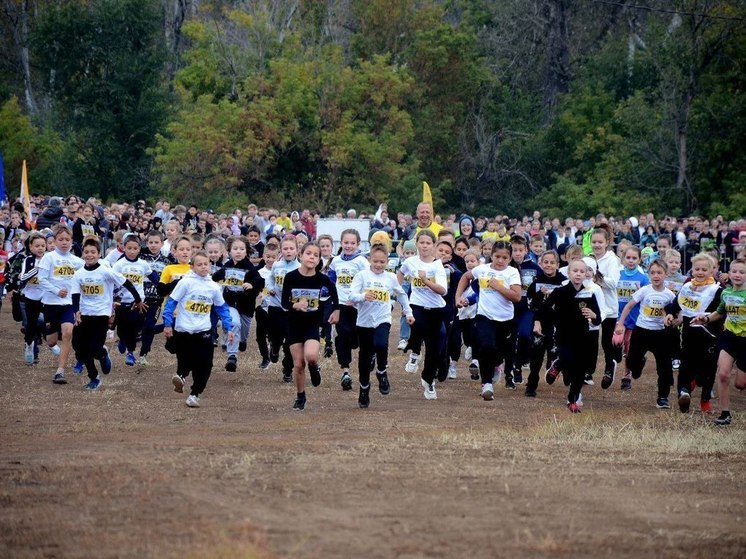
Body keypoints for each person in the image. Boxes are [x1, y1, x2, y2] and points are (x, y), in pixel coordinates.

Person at [71, 237, 144, 389]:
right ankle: (94, 377)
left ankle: (102, 354)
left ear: (99, 254)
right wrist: (76, 311)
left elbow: (127, 283)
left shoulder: (106, 271)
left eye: (93, 252)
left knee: (93, 347)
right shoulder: (78, 274)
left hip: (101, 314)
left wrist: (138, 300)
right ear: (83, 254)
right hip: (84, 313)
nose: (89, 255)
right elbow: (75, 294)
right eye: (86, 252)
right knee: (79, 345)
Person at [163, 250, 234, 408]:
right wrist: (168, 323)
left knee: (205, 364)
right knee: (185, 360)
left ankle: (195, 393)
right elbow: (171, 303)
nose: (203, 267)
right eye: (199, 264)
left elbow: (222, 308)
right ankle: (180, 377)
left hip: (203, 331)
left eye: (206, 264)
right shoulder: (185, 283)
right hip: (183, 330)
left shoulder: (213, 287)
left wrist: (228, 328)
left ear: (210, 265)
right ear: (193, 267)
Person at [348, 244, 413, 407]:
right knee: (364, 357)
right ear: (369, 259)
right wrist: (363, 296)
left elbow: (402, 294)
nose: (378, 265)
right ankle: (364, 388)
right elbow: (352, 296)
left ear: (387, 262)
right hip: (364, 322)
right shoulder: (362, 276)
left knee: (381, 344)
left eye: (382, 262)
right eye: (375, 261)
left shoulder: (390, 278)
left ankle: (382, 372)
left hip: (382, 319)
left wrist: (408, 311)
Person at [455, 241, 521, 400]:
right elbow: (466, 276)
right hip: (485, 316)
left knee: (499, 352)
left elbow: (517, 297)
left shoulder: (511, 273)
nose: (500, 260)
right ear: (491, 256)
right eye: (497, 256)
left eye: (504, 257)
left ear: (510, 258)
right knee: (485, 346)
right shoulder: (482, 269)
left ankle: (497, 365)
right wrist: (457, 297)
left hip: (505, 319)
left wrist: (498, 287)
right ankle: (486, 384)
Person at [534, 259, 603, 412]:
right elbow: (543, 308)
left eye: (582, 272)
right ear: (569, 273)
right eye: (575, 271)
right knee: (569, 360)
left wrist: (593, 315)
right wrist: (537, 321)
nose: (578, 274)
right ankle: (559, 364)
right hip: (563, 336)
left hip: (583, 337)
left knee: (579, 370)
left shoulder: (588, 294)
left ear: (586, 274)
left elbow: (597, 317)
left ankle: (572, 400)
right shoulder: (560, 292)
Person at [281, 241, 339, 410]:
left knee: (311, 356)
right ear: (301, 255)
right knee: (298, 364)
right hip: (294, 324)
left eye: (316, 255)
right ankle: (301, 396)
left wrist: (336, 311)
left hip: (312, 323)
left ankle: (314, 367)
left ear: (319, 259)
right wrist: (295, 305)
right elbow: (284, 301)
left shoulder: (322, 279)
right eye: (309, 253)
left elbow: (335, 294)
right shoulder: (291, 277)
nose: (312, 257)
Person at [664, 253, 723, 413]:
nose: (700, 272)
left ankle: (705, 400)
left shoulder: (717, 290)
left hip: (709, 337)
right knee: (686, 365)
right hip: (688, 335)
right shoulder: (687, 286)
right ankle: (683, 393)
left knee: (707, 370)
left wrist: (707, 318)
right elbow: (675, 304)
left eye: (704, 269)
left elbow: (723, 312)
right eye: (697, 269)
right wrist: (670, 313)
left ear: (712, 271)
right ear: (692, 270)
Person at [691, 258, 746, 426]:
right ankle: (725, 414)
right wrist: (705, 318)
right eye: (734, 271)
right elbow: (720, 312)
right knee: (722, 374)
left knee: (740, 383)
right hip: (729, 337)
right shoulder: (726, 293)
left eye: (742, 272)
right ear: (728, 274)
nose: (737, 275)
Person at [615, 259, 676, 409]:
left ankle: (663, 397)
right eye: (653, 273)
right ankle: (639, 364)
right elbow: (629, 306)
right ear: (649, 274)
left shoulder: (670, 295)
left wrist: (672, 319)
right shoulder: (645, 290)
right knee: (631, 364)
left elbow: (676, 313)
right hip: (641, 332)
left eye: (659, 273)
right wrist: (621, 324)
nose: (656, 276)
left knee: (664, 367)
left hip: (660, 334)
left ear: (665, 274)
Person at [397, 230, 447, 400]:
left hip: (436, 309)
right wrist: (398, 290)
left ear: (433, 246)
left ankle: (428, 380)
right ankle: (415, 353)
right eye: (422, 242)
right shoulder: (410, 262)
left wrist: (426, 281)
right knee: (416, 326)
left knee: (434, 349)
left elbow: (443, 290)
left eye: (428, 243)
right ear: (417, 244)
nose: (424, 246)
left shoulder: (437, 265)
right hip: (416, 304)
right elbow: (401, 272)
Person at [37, 224, 84, 383]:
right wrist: (56, 291)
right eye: (61, 239)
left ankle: (60, 371)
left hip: (68, 304)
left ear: (72, 241)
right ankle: (44, 332)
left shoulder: (77, 261)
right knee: (51, 340)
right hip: (50, 304)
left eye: (67, 239)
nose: (64, 242)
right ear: (55, 241)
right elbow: (41, 280)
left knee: (68, 332)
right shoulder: (48, 258)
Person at [212, 236, 264, 372]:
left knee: (244, 330)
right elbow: (215, 277)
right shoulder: (227, 266)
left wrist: (251, 284)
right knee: (234, 323)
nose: (238, 252)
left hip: (246, 305)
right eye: (235, 249)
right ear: (229, 251)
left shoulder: (249, 266)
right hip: (229, 303)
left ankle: (242, 340)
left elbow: (260, 280)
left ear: (246, 251)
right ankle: (232, 357)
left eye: (242, 249)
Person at [328, 229, 369, 391]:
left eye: (352, 243)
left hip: (359, 307)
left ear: (358, 244)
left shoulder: (362, 262)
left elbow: (368, 280)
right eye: (346, 242)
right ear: (341, 243)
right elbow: (331, 280)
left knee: (356, 340)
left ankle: (369, 354)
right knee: (342, 336)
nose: (349, 246)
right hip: (341, 305)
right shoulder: (335, 261)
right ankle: (345, 371)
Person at [112, 235, 158, 366]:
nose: (132, 251)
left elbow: (154, 278)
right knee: (122, 327)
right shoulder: (119, 264)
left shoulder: (143, 264)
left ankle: (130, 353)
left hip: (138, 302)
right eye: (129, 248)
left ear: (139, 249)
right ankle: (122, 339)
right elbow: (113, 282)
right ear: (124, 248)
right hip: (121, 302)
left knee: (133, 326)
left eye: (135, 248)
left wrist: (162, 286)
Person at [525, 250, 566, 397]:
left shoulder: (564, 281)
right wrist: (540, 294)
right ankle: (531, 385)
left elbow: (568, 302)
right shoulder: (536, 282)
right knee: (536, 356)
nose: (549, 265)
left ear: (558, 264)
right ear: (541, 263)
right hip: (540, 323)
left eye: (552, 262)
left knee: (557, 352)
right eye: (546, 262)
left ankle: (556, 371)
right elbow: (531, 303)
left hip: (558, 324)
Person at [608, 246, 650, 390]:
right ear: (623, 259)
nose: (631, 261)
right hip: (618, 317)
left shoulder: (643, 278)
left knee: (629, 348)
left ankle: (627, 376)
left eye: (634, 258)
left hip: (635, 318)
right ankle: (627, 360)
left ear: (639, 260)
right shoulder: (617, 275)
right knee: (616, 342)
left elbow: (647, 298)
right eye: (628, 258)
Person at [265, 235, 300, 383]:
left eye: (291, 248)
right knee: (275, 334)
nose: (288, 251)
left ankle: (287, 370)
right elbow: (270, 278)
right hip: (275, 305)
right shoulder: (276, 265)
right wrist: (271, 287)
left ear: (297, 251)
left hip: (291, 309)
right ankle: (273, 346)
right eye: (285, 248)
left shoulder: (300, 268)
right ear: (281, 250)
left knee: (290, 342)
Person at [590, 224, 622, 385]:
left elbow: (613, 283)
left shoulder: (612, 260)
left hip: (609, 308)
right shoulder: (588, 258)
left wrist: (597, 277)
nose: (596, 245)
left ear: (606, 242)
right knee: (590, 340)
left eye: (600, 242)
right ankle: (588, 371)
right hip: (592, 306)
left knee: (606, 341)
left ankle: (609, 367)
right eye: (594, 242)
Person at [138, 229, 173, 365]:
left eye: (156, 242)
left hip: (156, 299)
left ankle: (144, 354)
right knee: (138, 325)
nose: (153, 245)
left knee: (149, 326)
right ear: (146, 243)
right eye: (150, 242)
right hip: (140, 298)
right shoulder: (141, 258)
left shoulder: (167, 262)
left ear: (162, 243)